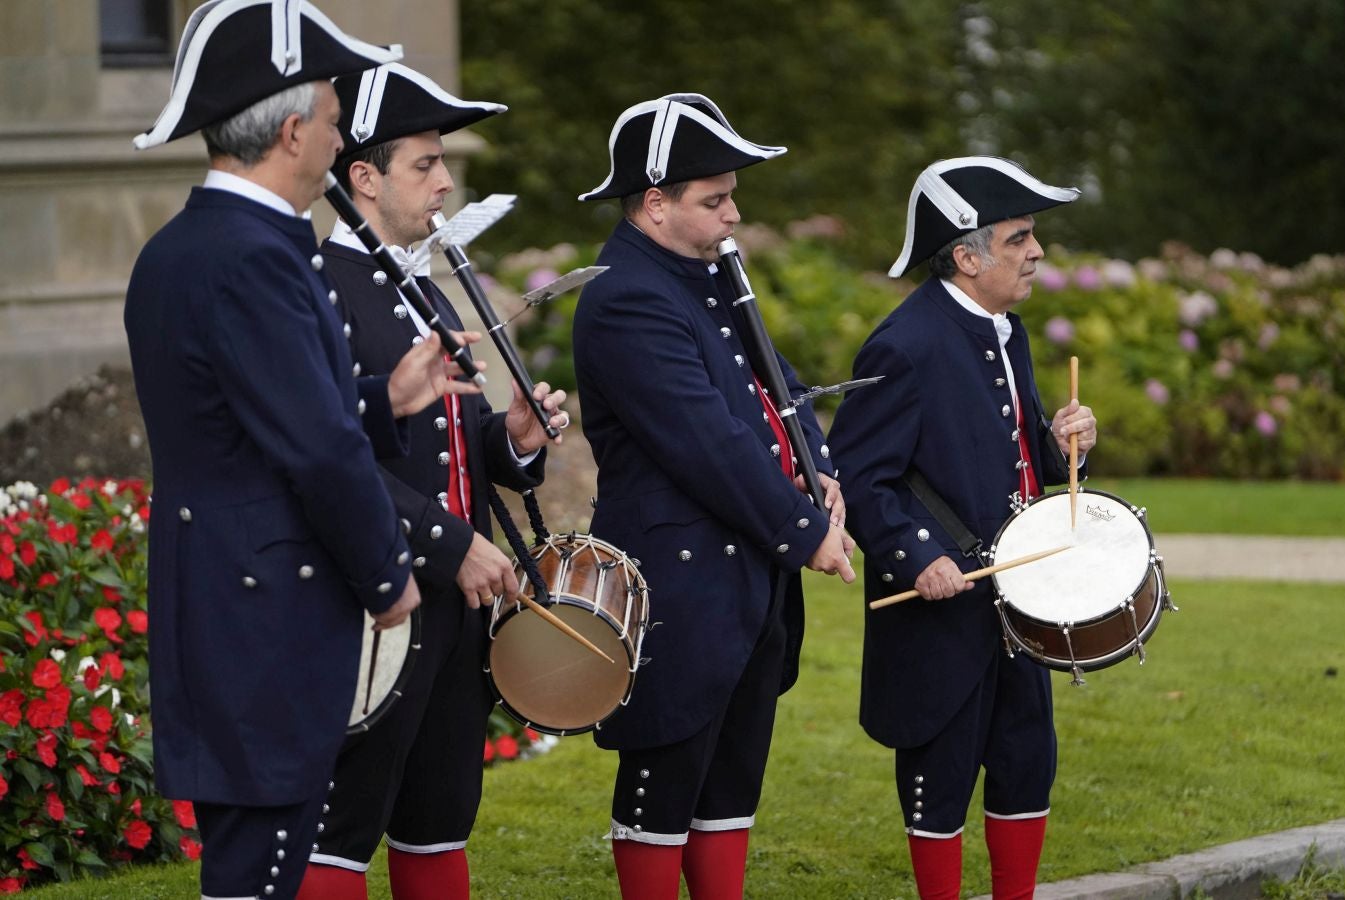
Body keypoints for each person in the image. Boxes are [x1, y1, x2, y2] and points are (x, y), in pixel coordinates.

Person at [124, 4, 480, 897]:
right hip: (264, 603)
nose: (335, 135)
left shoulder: (193, 244)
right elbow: (314, 451)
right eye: (328, 117)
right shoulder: (254, 256)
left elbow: (258, 416)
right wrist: (388, 576)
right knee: (263, 870)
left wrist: (384, 397)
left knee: (254, 863)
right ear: (291, 132)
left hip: (229, 588)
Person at [294, 63, 569, 900]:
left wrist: (512, 439)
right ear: (363, 178)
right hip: (377, 597)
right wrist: (450, 544)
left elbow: (446, 441)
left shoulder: (419, 287)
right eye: (423, 163)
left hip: (455, 597)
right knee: (343, 826)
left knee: (439, 815)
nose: (445, 180)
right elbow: (328, 452)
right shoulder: (318, 290)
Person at [572, 93, 856, 900]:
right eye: (715, 199)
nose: (734, 212)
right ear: (654, 204)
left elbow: (785, 390)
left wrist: (820, 466)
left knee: (730, 785)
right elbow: (708, 444)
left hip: (741, 574)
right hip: (681, 577)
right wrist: (806, 530)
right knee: (666, 782)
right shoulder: (626, 294)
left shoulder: (705, 273)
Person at [826, 156, 1099, 900]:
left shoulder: (1005, 330)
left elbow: (1006, 450)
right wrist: (915, 556)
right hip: (941, 603)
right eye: (1018, 238)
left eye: (1032, 235)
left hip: (1020, 597)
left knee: (1023, 760)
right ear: (966, 254)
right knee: (938, 774)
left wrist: (1063, 444)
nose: (1035, 252)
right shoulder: (903, 344)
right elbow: (856, 474)